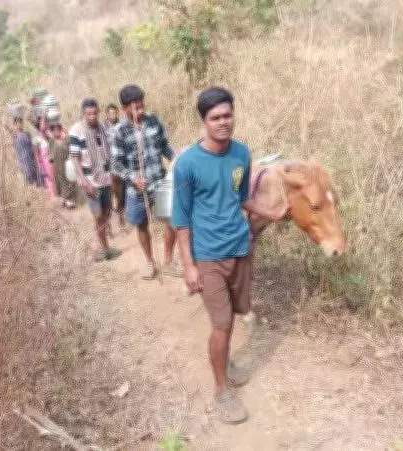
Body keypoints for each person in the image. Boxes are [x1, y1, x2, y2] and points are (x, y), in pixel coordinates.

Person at [171, 87, 287, 425]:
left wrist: (273, 212)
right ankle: (222, 390)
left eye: (228, 115)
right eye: (215, 117)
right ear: (204, 121)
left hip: (240, 246)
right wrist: (189, 267)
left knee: (232, 316)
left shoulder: (241, 154)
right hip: (208, 255)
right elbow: (180, 219)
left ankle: (225, 364)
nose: (223, 122)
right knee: (221, 324)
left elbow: (241, 198)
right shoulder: (188, 164)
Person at [111, 84, 181, 280]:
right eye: (136, 108)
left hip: (159, 180)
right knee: (141, 225)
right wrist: (133, 178)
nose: (141, 111)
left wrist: (177, 159)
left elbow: (166, 147)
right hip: (137, 189)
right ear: (125, 108)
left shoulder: (154, 121)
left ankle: (168, 260)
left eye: (142, 106)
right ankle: (150, 261)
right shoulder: (119, 131)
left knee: (172, 221)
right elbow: (116, 164)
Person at [70, 98, 121, 262]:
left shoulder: (103, 128)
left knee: (106, 213)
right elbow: (74, 157)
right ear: (84, 114)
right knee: (98, 215)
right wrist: (83, 180)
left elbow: (109, 151)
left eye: (94, 113)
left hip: (105, 179)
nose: (92, 116)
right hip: (90, 181)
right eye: (88, 114)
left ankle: (105, 246)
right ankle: (102, 247)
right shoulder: (76, 130)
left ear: (98, 112)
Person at [104, 104, 127, 233]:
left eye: (115, 113)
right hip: (108, 166)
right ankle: (107, 225)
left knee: (120, 194)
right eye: (110, 113)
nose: (113, 115)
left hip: (120, 164)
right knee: (108, 195)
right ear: (107, 114)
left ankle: (121, 218)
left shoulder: (122, 125)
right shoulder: (103, 128)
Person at [48, 113, 77, 209]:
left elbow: (71, 148)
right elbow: (51, 157)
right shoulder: (52, 141)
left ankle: (68, 201)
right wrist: (52, 168)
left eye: (58, 129)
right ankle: (67, 201)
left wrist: (65, 131)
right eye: (54, 130)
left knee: (70, 182)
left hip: (67, 165)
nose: (56, 131)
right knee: (61, 184)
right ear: (52, 131)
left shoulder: (66, 140)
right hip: (57, 167)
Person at [8, 117, 43, 187]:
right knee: (27, 181)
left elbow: (32, 146)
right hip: (22, 161)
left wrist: (36, 158)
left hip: (31, 160)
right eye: (17, 123)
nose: (20, 125)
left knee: (36, 180)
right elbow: (15, 150)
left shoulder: (27, 134)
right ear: (14, 124)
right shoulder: (14, 136)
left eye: (21, 123)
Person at [32, 109, 59, 202]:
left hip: (53, 161)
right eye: (43, 123)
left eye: (46, 123)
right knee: (50, 181)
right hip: (45, 164)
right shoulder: (37, 139)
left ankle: (57, 198)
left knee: (55, 180)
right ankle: (54, 199)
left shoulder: (48, 135)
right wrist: (40, 167)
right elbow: (36, 156)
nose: (45, 125)